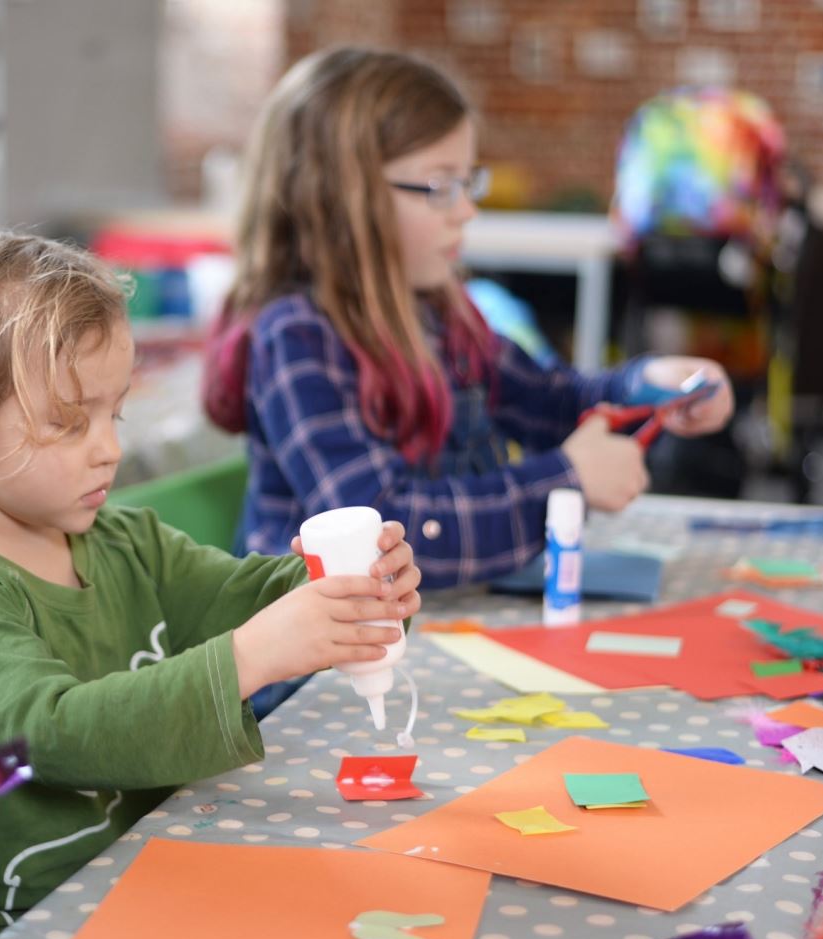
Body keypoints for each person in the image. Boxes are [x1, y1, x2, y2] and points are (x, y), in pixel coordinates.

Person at [0, 227, 421, 939]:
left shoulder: (121, 539)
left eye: (115, 413)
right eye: (68, 422)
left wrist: (350, 589)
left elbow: (241, 597)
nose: (108, 450)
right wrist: (253, 655)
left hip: (119, 895)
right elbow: (52, 730)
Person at [203, 46, 734, 588]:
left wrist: (652, 386)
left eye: (467, 183)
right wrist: (565, 481)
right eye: (440, 187)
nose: (466, 210)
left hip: (440, 626)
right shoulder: (296, 338)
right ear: (339, 199)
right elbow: (383, 536)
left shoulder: (439, 315)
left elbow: (556, 402)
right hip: (324, 665)